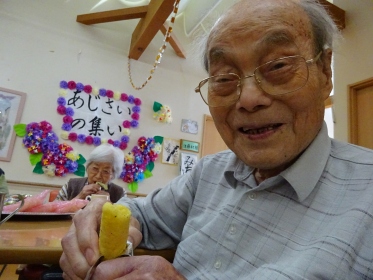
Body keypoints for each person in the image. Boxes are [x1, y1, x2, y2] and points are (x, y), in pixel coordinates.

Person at [59, 0, 373, 279]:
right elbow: (140, 214)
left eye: (278, 66)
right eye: (224, 79)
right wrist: (102, 220)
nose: (248, 99)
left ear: (325, 72)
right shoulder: (209, 173)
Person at [55, 144, 125, 203]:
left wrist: (109, 204)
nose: (98, 176)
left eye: (106, 171)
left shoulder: (120, 193)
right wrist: (80, 196)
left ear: (113, 175)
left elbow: (125, 218)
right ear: (88, 167)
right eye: (95, 168)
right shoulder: (70, 185)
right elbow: (55, 211)